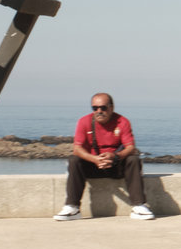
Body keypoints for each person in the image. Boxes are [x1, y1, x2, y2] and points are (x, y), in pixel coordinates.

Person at [53, 93, 154, 221]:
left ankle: (139, 206)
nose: (99, 111)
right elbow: (77, 149)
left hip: (116, 165)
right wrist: (95, 159)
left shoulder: (122, 122)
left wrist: (115, 156)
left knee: (133, 159)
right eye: (95, 108)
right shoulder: (84, 121)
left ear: (111, 107)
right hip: (93, 165)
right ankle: (72, 208)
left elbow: (130, 147)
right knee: (74, 160)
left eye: (103, 108)